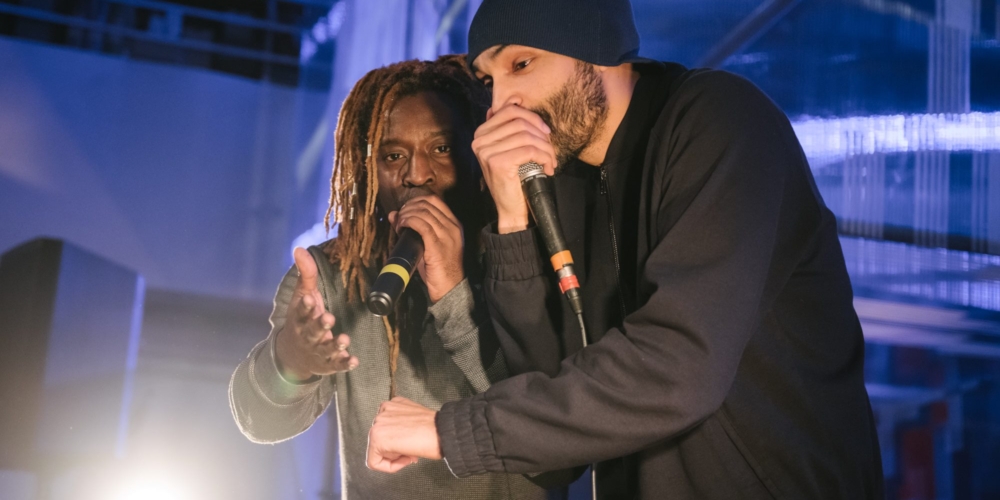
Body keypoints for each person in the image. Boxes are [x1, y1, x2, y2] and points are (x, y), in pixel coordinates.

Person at [365, 1, 885, 498]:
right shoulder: (556, 185)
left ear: (596, 47)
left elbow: (680, 368)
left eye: (521, 64)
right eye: (488, 82)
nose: (500, 105)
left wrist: (450, 431)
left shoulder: (721, 121)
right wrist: (513, 221)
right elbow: (554, 455)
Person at [228, 55, 553, 499]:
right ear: (369, 171)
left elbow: (545, 418)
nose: (417, 174)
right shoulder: (333, 273)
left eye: (441, 149)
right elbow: (258, 422)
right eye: (394, 155)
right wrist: (291, 361)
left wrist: (453, 291)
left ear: (474, 155)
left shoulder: (521, 253)